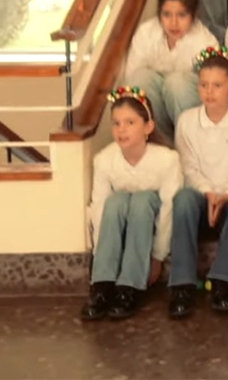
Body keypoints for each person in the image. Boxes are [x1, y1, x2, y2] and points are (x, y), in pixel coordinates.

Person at [168, 49, 228, 318]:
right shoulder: (187, 121)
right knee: (183, 198)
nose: (209, 92)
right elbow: (188, 166)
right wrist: (208, 193)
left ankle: (224, 281)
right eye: (204, 85)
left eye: (217, 85)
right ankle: (182, 285)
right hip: (201, 199)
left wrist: (227, 194)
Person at [81, 87, 182, 322]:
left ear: (148, 127)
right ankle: (102, 285)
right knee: (114, 202)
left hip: (148, 222)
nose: (121, 129)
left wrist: (158, 256)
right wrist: (99, 253)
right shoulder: (104, 160)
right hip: (120, 220)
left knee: (142, 200)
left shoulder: (166, 160)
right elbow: (99, 208)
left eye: (130, 122)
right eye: (116, 123)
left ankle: (129, 287)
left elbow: (168, 209)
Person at [121, 0, 217, 141]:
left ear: (193, 16)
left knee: (176, 82)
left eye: (181, 15)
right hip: (158, 108)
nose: (173, 23)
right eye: (166, 14)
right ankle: (162, 143)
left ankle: (189, 144)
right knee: (139, 78)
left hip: (190, 104)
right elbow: (131, 82)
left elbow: (215, 88)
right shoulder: (146, 33)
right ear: (159, 14)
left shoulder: (205, 41)